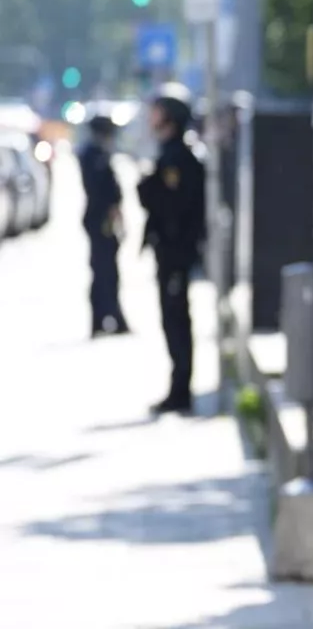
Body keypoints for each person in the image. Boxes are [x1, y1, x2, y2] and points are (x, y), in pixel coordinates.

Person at [137, 88, 206, 415]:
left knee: (176, 319)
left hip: (176, 251)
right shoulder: (170, 153)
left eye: (158, 111)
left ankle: (181, 392)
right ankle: (178, 389)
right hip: (170, 251)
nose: (152, 117)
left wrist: (146, 188)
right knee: (171, 318)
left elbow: (173, 206)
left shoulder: (178, 157)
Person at [77, 116, 130, 338]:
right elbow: (103, 190)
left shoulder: (98, 152)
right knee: (103, 270)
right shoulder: (93, 154)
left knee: (108, 270)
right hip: (99, 220)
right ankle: (104, 318)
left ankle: (110, 317)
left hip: (103, 219)